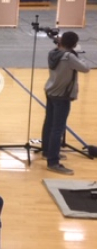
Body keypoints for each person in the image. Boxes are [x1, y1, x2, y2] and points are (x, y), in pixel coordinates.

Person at [41, 31, 90, 175]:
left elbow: (61, 49)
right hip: (62, 95)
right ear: (74, 44)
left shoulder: (53, 53)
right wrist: (78, 55)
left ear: (60, 42)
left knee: (49, 123)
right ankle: (53, 162)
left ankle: (47, 151)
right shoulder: (69, 57)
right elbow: (85, 68)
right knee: (58, 128)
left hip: (50, 91)